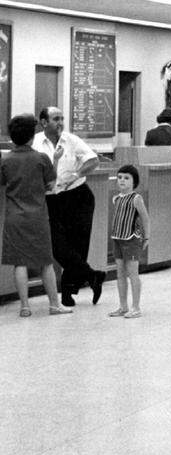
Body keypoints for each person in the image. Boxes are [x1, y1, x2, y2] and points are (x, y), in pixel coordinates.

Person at [33, 106, 106, 306]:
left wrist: (76, 174)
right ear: (44, 122)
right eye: (56, 118)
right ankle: (92, 276)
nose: (60, 122)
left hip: (78, 196)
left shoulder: (71, 139)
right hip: (51, 199)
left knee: (78, 244)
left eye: (62, 118)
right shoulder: (36, 142)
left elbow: (93, 160)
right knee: (57, 246)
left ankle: (68, 292)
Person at [1, 114, 71, 317]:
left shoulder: (5, 160)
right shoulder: (41, 158)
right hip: (38, 216)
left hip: (14, 217)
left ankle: (24, 307)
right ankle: (54, 305)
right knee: (45, 262)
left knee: (19, 262)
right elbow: (50, 184)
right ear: (32, 136)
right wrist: (56, 161)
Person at [107, 165, 149, 317]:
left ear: (134, 181)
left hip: (131, 240)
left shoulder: (136, 198)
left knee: (133, 273)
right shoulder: (116, 198)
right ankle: (123, 306)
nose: (122, 181)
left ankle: (136, 307)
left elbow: (145, 218)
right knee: (120, 273)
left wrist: (147, 237)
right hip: (117, 238)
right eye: (119, 177)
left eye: (126, 178)